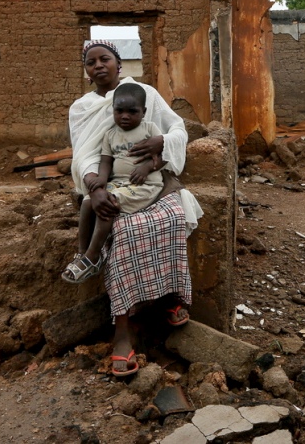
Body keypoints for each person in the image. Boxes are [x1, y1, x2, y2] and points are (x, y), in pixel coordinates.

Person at [68, 40, 202, 377]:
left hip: (154, 180)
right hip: (109, 185)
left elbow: (178, 129)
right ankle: (123, 330)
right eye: (91, 62)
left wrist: (162, 143)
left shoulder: (145, 94)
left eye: (105, 59)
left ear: (119, 64)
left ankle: (171, 298)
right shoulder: (81, 108)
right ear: (86, 72)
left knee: (172, 217)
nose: (98, 66)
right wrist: (93, 186)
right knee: (121, 228)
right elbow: (85, 154)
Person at [61, 82, 165, 283]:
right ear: (113, 110)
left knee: (108, 204)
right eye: (119, 111)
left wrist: (147, 168)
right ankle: (82, 252)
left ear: (143, 112)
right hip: (119, 184)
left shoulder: (150, 129)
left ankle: (93, 258)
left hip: (144, 186)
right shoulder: (110, 134)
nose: (124, 116)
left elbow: (165, 156)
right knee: (88, 201)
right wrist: (100, 179)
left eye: (132, 112)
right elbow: (106, 161)